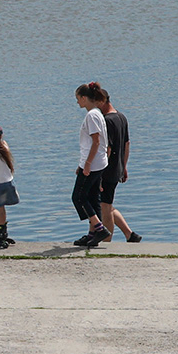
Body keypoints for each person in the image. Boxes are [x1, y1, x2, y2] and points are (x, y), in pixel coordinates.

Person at [99, 89, 141, 243]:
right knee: (106, 204)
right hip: (117, 168)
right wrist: (124, 166)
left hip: (107, 170)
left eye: (97, 103)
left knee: (104, 206)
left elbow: (107, 149)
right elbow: (127, 144)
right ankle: (130, 235)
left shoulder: (107, 120)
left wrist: (100, 172)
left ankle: (107, 242)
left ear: (102, 101)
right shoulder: (121, 117)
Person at [71, 81, 110, 247]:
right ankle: (92, 233)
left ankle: (100, 229)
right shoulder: (97, 113)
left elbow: (96, 141)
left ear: (85, 98)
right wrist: (82, 164)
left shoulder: (92, 115)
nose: (77, 102)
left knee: (78, 197)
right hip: (97, 163)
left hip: (93, 164)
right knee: (93, 197)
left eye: (78, 98)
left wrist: (87, 164)